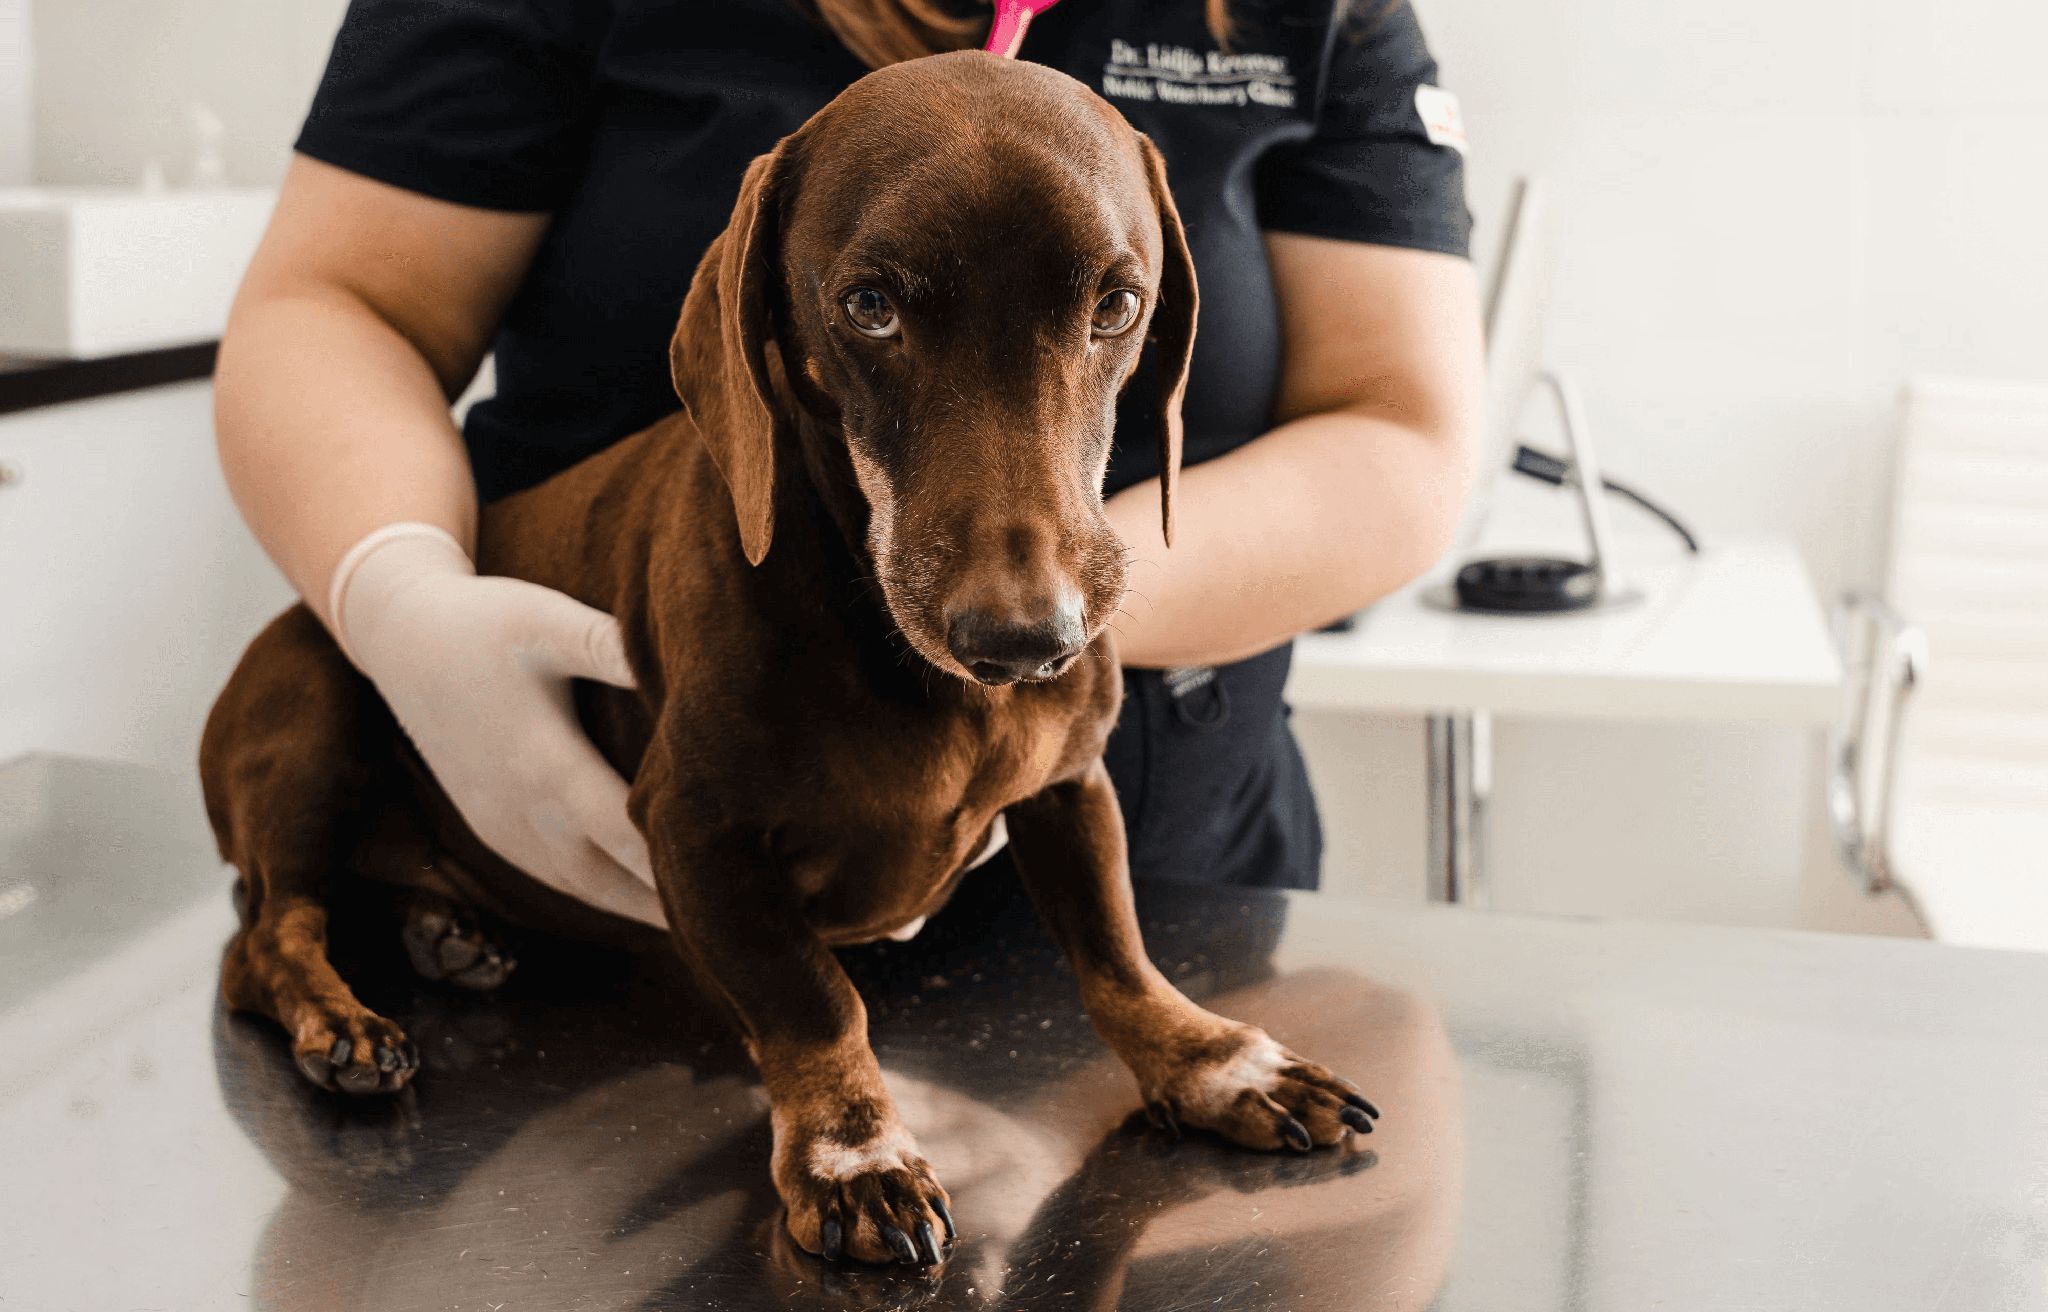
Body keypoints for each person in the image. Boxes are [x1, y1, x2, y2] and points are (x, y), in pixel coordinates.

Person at [214, 0, 1482, 925]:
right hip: (607, 857)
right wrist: (401, 598)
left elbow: (1398, 432)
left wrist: (1022, 585)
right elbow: (342, 304)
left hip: (1155, 872)